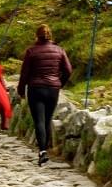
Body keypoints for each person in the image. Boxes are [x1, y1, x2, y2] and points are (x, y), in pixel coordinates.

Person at [19, 24, 73, 165]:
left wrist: (20, 89)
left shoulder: (31, 51)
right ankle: (47, 149)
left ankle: (42, 151)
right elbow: (68, 70)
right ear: (50, 35)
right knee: (47, 119)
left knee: (39, 121)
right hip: (53, 89)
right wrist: (60, 83)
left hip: (35, 88)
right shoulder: (59, 50)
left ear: (37, 36)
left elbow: (24, 73)